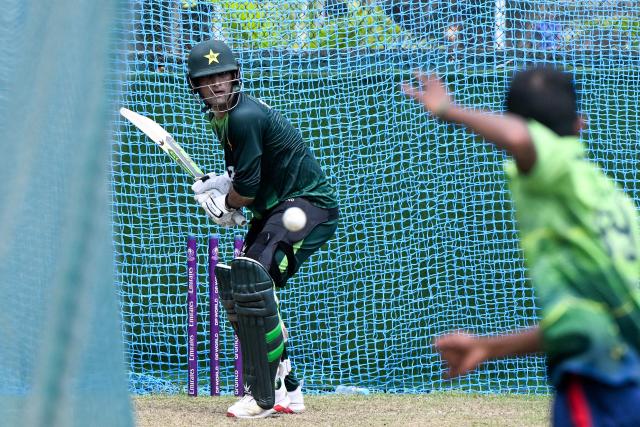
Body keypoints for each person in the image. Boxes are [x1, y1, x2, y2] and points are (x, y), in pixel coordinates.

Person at [402, 66, 640, 426]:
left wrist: (449, 110)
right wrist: (487, 348)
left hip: (603, 388)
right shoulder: (609, 198)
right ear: (580, 123)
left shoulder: (556, 169)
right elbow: (585, 323)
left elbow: (520, 137)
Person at [186, 39, 339, 419]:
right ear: (196, 87)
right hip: (276, 208)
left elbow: (249, 189)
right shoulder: (221, 118)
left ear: (235, 76)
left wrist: (226, 204)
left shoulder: (242, 116)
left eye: (223, 75)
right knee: (243, 288)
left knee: (252, 283)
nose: (218, 83)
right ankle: (289, 392)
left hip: (306, 205)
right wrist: (224, 184)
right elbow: (249, 176)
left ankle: (263, 394)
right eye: (209, 78)